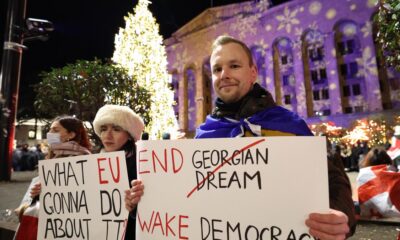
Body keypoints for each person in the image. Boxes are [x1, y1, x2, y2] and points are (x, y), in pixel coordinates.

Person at [195, 35, 356, 239]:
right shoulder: (204, 135)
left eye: (234, 66)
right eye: (217, 69)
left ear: (253, 73)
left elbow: (334, 182)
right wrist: (147, 196)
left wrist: (340, 217)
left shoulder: (290, 125)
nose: (224, 74)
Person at [14, 115, 91, 240]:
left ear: (71, 135)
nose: (50, 133)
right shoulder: (54, 155)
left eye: (55, 130)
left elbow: (81, 198)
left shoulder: (82, 159)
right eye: (50, 129)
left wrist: (50, 191)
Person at [93, 104, 145, 240]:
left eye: (116, 129)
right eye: (103, 129)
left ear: (129, 135)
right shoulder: (89, 163)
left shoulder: (142, 165)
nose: (108, 135)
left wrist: (135, 204)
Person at [357, 147, 400, 218]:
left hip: (369, 220)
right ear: (388, 160)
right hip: (395, 219)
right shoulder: (396, 177)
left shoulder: (362, 176)